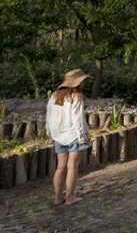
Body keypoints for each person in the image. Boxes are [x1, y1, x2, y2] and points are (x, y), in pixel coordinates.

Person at [45, 68, 91, 206]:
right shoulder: (77, 97)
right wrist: (82, 136)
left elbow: (48, 117)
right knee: (72, 167)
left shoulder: (54, 96)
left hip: (58, 136)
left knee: (60, 167)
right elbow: (77, 119)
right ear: (79, 83)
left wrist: (50, 134)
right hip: (74, 136)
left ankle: (58, 197)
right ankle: (70, 198)